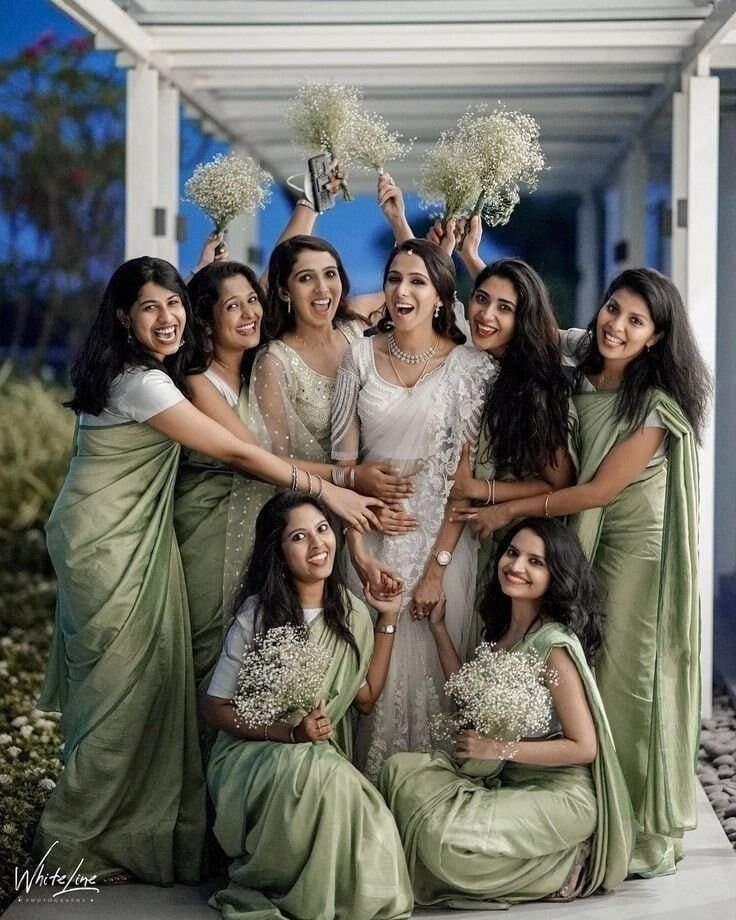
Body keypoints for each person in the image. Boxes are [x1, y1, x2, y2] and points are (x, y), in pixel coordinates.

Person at [34, 257, 383, 884]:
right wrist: (335, 491)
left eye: (173, 305)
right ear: (122, 317)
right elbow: (232, 450)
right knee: (119, 694)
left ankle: (133, 837)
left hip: (125, 537)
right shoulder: (142, 383)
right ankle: (72, 849)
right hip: (107, 546)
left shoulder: (152, 370)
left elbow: (275, 297)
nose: (167, 319)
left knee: (148, 693)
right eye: (150, 307)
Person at [452, 268, 711, 876]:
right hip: (575, 540)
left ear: (655, 337)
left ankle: (635, 831)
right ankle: (577, 814)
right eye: (613, 309)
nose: (616, 326)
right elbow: (526, 310)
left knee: (621, 675)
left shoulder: (654, 405)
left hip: (628, 548)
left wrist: (505, 509)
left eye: (636, 321)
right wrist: (468, 256)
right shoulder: (577, 356)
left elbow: (595, 492)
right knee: (576, 668)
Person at [379, 518, 634, 908]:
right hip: (507, 786)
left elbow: (584, 747)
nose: (516, 567)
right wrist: (440, 630)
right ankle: (534, 861)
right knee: (399, 774)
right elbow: (469, 699)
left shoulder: (554, 645)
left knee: (441, 840)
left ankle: (565, 866)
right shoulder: (498, 634)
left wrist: (498, 749)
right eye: (513, 553)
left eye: (536, 561)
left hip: (560, 794)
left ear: (556, 575)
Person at [203, 492, 413, 920]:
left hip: (319, 755)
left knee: (339, 784)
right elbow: (215, 707)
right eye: (299, 537)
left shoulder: (352, 614)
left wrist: (387, 617)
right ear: (279, 553)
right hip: (253, 755)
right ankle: (300, 890)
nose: (318, 544)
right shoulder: (258, 615)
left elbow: (366, 699)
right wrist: (289, 734)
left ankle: (344, 896)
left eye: (322, 530)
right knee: (325, 776)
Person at [331, 238, 496, 778]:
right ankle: (371, 812)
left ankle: (436, 805)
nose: (403, 290)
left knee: (440, 672)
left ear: (442, 297)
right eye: (395, 278)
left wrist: (435, 569)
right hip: (369, 540)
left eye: (419, 281)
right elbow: (342, 470)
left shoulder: (470, 368)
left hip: (442, 545)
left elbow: (463, 483)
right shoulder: (356, 356)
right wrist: (357, 550)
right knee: (368, 679)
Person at [446, 258, 575, 649]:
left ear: (524, 319)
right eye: (481, 299)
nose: (486, 315)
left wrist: (483, 492)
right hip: (469, 522)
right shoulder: (474, 360)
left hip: (509, 534)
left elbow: (560, 482)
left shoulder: (532, 386)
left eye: (505, 309)